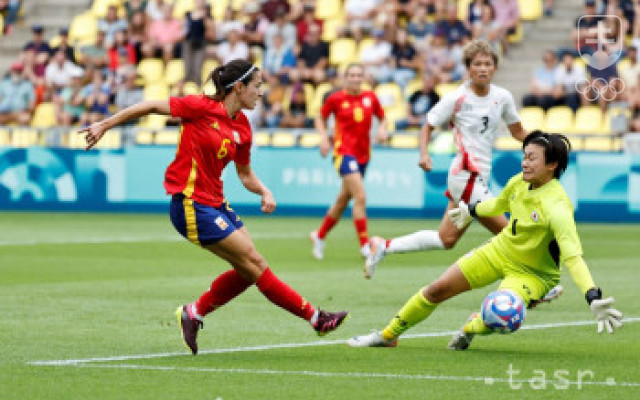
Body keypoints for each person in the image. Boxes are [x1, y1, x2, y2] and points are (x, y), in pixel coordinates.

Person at [79, 59, 348, 355]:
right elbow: (150, 106)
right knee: (255, 263)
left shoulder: (243, 127)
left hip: (216, 204)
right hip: (190, 205)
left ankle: (193, 313)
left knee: (248, 271)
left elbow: (244, 174)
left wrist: (264, 190)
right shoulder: (200, 106)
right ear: (239, 87)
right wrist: (105, 124)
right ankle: (315, 318)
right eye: (257, 87)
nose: (262, 93)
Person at [348, 131, 624, 349]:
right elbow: (497, 204)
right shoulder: (519, 181)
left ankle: (471, 327)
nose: (525, 162)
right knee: (436, 290)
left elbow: (574, 259)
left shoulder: (558, 208)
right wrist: (471, 210)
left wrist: (592, 296)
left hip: (533, 275)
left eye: (532, 158)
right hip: (500, 251)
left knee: (501, 316)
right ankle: (388, 336)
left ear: (552, 165)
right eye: (524, 156)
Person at [364, 39, 526, 279]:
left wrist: (543, 142)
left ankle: (384, 246)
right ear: (468, 68)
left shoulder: (502, 97)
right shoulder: (457, 97)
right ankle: (532, 283)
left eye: (487, 64)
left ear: (495, 68)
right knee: (510, 233)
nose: (482, 68)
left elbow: (518, 132)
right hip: (466, 174)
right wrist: (423, 153)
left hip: (478, 176)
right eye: (477, 64)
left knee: (446, 239)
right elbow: (427, 124)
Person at [310, 63, 387, 260]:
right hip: (343, 153)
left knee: (343, 200)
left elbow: (382, 116)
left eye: (358, 75)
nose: (355, 78)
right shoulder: (336, 98)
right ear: (345, 78)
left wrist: (382, 128)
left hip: (363, 155)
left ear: (363, 77)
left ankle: (318, 236)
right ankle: (364, 245)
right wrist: (324, 137)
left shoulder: (370, 97)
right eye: (351, 75)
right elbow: (320, 117)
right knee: (360, 196)